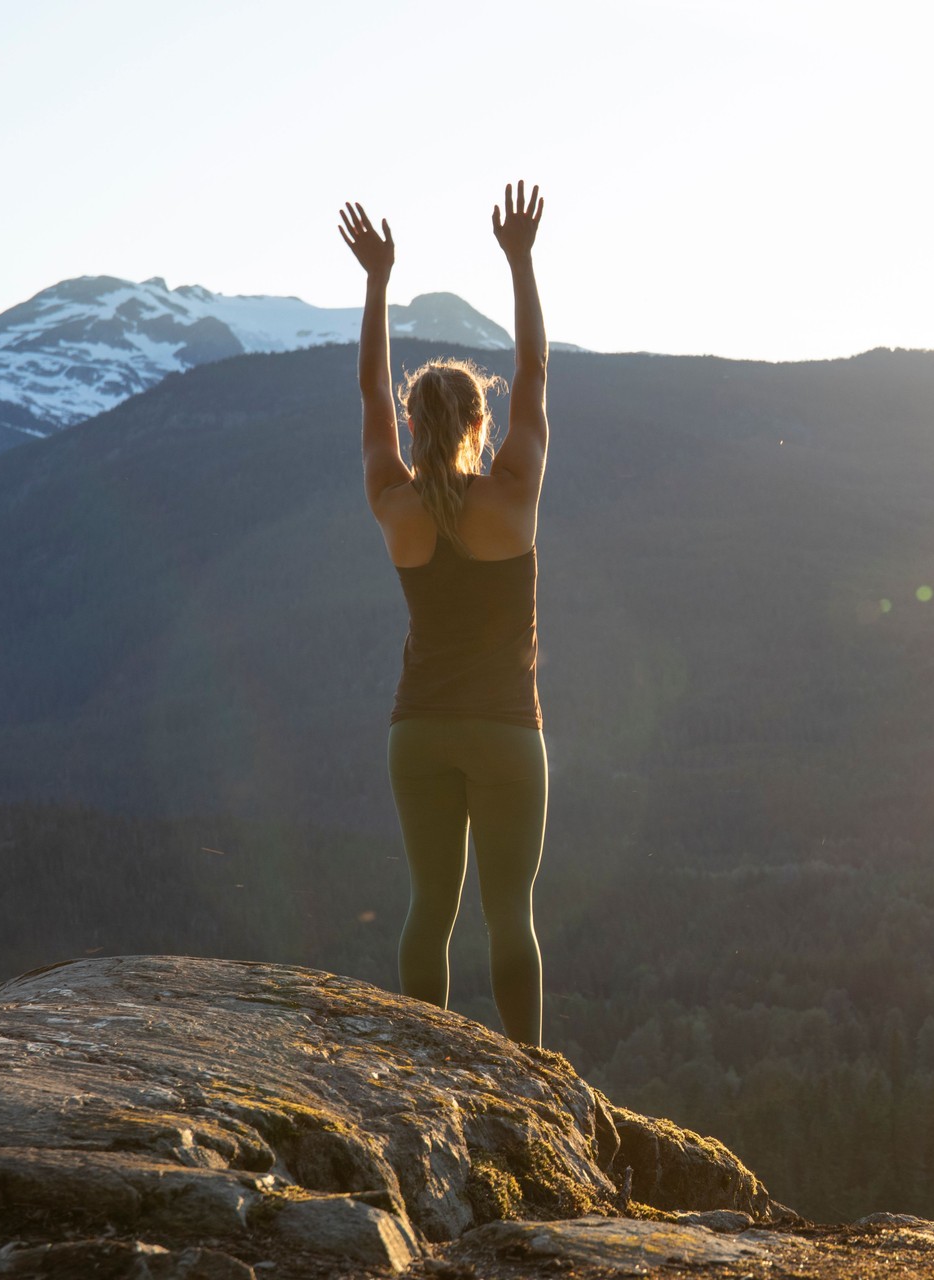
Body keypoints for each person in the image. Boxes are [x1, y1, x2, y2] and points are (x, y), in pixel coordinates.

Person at [337, 185, 551, 1045]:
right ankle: (530, 1072)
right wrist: (521, 259)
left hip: (416, 728)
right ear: (477, 422)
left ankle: (428, 1071)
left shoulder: (394, 503)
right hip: (505, 731)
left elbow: (366, 399)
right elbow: (536, 373)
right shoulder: (513, 493)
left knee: (429, 908)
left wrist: (379, 283)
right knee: (511, 913)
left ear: (415, 423)